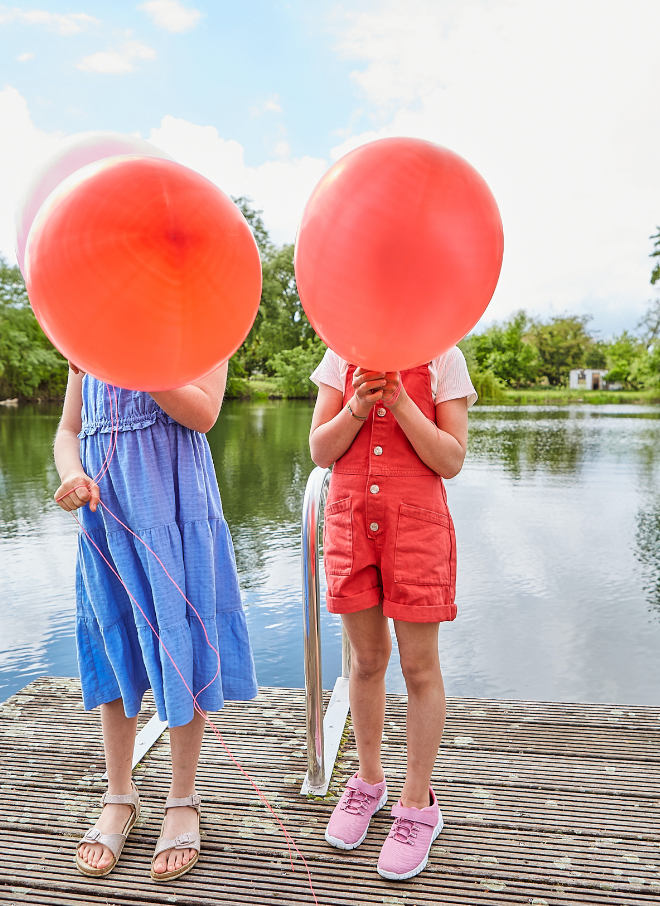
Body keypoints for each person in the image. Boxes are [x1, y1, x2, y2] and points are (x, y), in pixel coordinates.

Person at [54, 363, 257, 882]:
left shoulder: (197, 323)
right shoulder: (86, 336)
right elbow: (69, 429)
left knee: (179, 638)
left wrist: (135, 357)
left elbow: (204, 412)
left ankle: (181, 796)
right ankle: (119, 792)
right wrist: (71, 473)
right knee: (114, 642)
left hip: (173, 505)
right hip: (107, 517)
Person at [309, 347, 476, 881]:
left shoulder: (444, 357)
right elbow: (320, 450)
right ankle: (368, 781)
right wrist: (356, 404)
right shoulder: (341, 355)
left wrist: (402, 402)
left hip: (418, 526)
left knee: (419, 667)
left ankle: (416, 807)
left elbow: (450, 459)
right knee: (366, 659)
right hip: (350, 521)